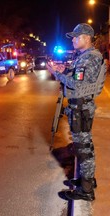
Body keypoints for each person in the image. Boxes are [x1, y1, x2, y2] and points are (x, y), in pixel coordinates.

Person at [47, 23, 103, 201]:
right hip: (81, 107)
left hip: (81, 109)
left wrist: (57, 73)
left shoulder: (89, 58)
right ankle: (86, 181)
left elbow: (77, 84)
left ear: (86, 38)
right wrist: (65, 70)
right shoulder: (85, 56)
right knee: (85, 146)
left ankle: (85, 191)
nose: (73, 40)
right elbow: (79, 77)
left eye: (76, 37)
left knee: (83, 149)